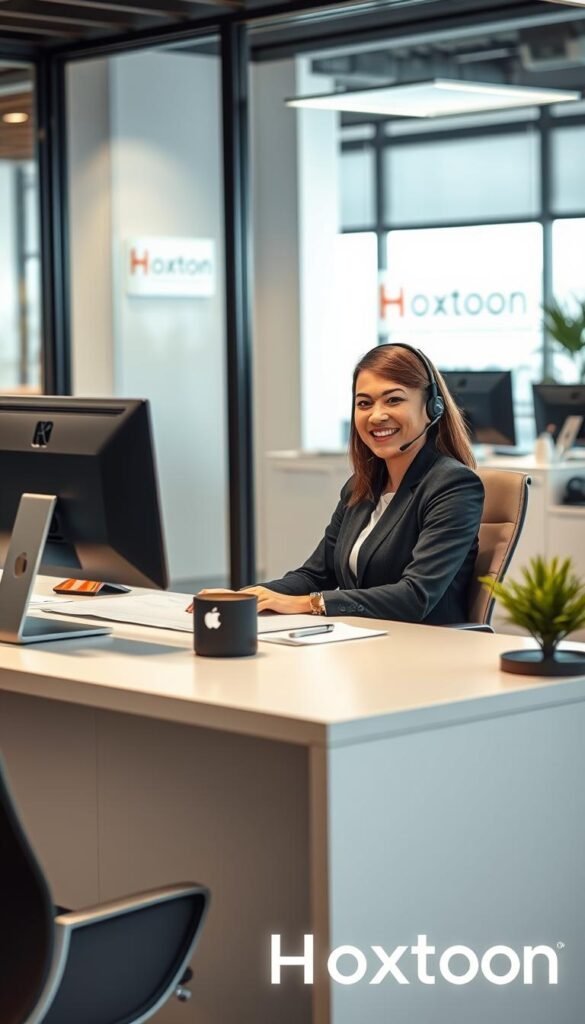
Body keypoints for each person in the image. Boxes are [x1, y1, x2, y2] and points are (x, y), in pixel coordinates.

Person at [242, 343, 485, 625]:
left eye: (393, 400)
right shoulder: (361, 487)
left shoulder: (453, 485)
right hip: (361, 641)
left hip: (421, 649)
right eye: (364, 403)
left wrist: (310, 604)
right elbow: (316, 575)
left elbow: (415, 596)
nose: (376, 415)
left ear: (432, 407)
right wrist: (243, 599)